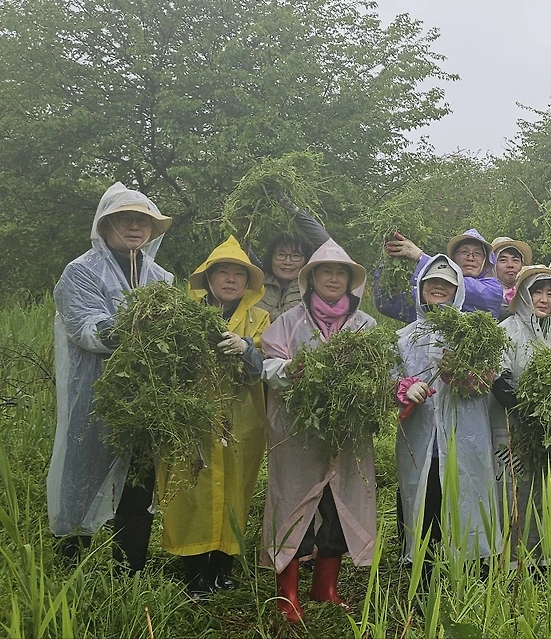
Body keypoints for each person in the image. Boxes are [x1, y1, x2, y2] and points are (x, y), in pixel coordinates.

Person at [48, 183, 173, 573]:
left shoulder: (161, 279)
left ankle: (128, 568)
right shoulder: (80, 272)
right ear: (105, 226)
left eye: (142, 221)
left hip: (147, 398)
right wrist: (134, 327)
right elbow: (86, 329)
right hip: (94, 392)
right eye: (125, 219)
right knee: (82, 472)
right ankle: (72, 564)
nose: (135, 227)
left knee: (138, 478)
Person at [260, 239, 378, 623]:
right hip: (299, 431)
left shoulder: (365, 326)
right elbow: (268, 365)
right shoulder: (289, 322)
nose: (333, 278)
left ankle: (325, 588)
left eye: (340, 272)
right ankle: (287, 595)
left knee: (341, 505)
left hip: (347, 433)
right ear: (311, 278)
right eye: (326, 271)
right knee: (294, 504)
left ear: (350, 280)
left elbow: (381, 371)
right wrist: (290, 370)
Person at [162, 236, 269, 597]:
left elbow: (261, 371)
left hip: (241, 421)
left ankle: (223, 567)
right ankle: (195, 571)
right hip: (193, 420)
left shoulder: (259, 319)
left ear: (248, 282)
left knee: (236, 491)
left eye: (239, 273)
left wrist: (246, 348)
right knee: (192, 490)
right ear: (207, 278)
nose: (231, 279)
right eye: (223, 272)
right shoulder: (184, 316)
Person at [393, 255, 501, 568]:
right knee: (425, 499)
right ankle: (423, 570)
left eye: (447, 284)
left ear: (458, 291)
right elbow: (389, 379)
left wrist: (467, 376)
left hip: (465, 437)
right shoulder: (403, 338)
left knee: (467, 496)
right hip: (421, 438)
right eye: (432, 283)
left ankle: (471, 569)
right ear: (421, 287)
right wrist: (404, 388)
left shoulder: (473, 333)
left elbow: (490, 377)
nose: (439, 288)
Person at [490, 265, 551, 563]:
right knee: (517, 491)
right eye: (537, 292)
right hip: (514, 430)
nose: (544, 299)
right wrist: (531, 410)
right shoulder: (505, 331)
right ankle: (515, 561)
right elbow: (499, 380)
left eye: (550, 294)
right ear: (524, 295)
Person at [379, 228, 506, 320]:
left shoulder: (493, 290)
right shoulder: (427, 291)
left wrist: (420, 257)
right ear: (453, 259)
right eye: (464, 252)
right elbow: (387, 303)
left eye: (477, 253)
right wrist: (390, 257)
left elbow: (471, 291)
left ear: (485, 262)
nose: (470, 258)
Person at [249, 194, 331, 322]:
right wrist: (250, 208)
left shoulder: (313, 287)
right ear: (271, 257)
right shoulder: (257, 280)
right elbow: (239, 242)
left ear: (306, 260)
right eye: (281, 255)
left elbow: (326, 245)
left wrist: (288, 205)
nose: (287, 262)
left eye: (296, 256)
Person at [491, 236, 533, 316]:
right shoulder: (485, 294)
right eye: (503, 260)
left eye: (515, 260)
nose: (510, 265)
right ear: (493, 266)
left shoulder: (532, 293)